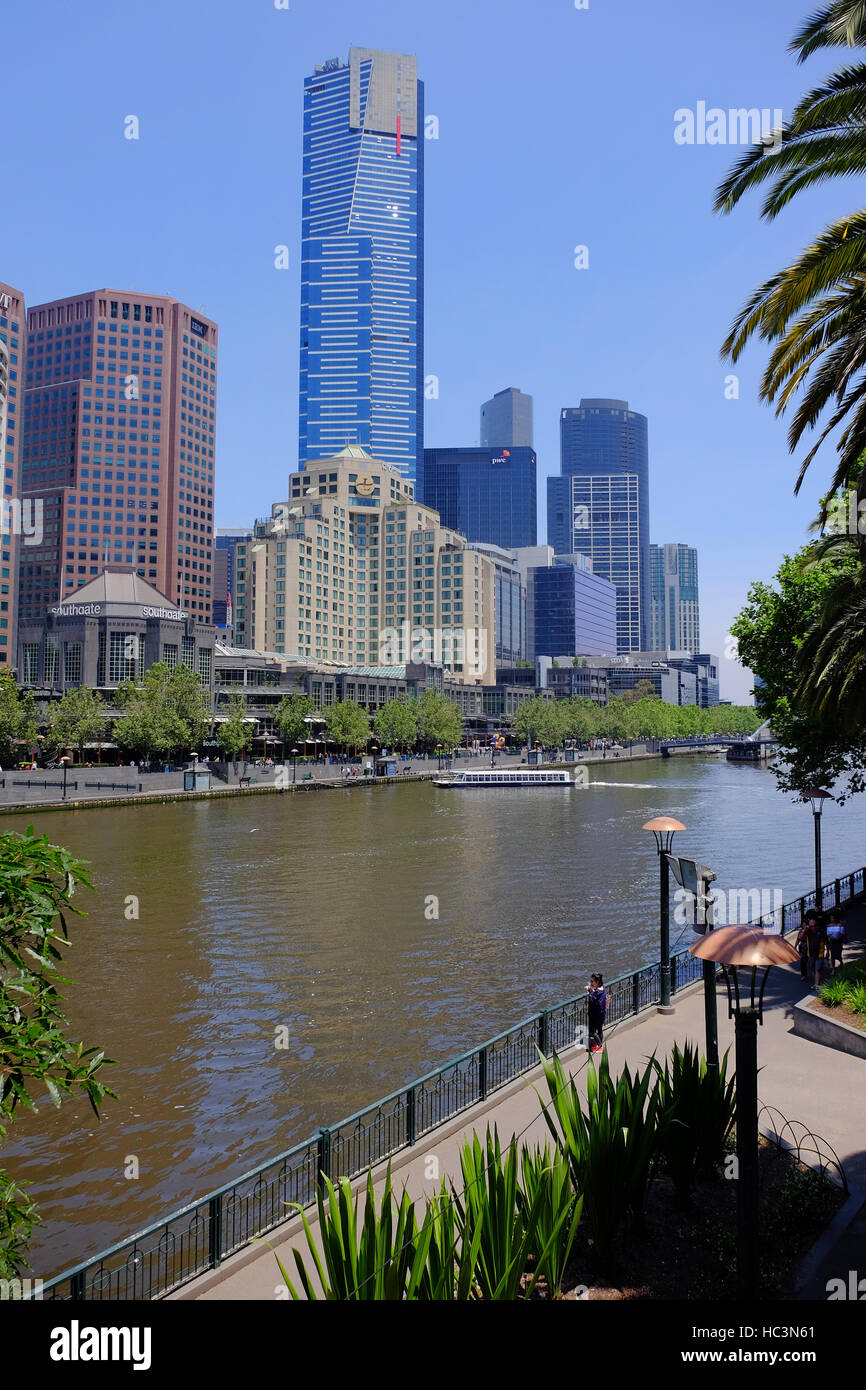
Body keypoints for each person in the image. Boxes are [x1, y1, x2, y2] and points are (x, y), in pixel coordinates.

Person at [586, 973, 607, 1053]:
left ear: (597, 982)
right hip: (601, 1014)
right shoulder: (602, 989)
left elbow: (593, 999)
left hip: (595, 1014)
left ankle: (600, 1046)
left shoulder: (597, 992)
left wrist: (589, 990)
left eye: (592, 981)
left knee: (592, 1032)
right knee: (600, 1029)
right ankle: (598, 1045)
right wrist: (592, 990)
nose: (591, 983)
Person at [826, 909, 846, 975]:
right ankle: (833, 969)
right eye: (830, 918)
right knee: (832, 956)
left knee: (838, 955)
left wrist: (835, 936)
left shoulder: (840, 925)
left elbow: (842, 934)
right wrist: (835, 936)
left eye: (832, 917)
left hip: (838, 943)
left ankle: (841, 962)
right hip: (832, 942)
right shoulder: (829, 925)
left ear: (835, 918)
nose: (831, 919)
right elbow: (828, 935)